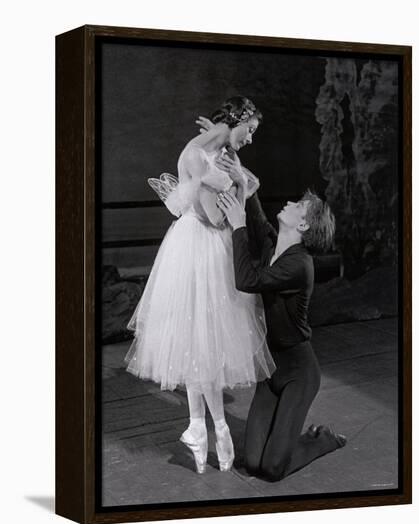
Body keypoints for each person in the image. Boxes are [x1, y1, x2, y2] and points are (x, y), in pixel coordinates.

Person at [125, 97, 276, 474]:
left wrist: (222, 142)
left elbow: (216, 161)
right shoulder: (196, 156)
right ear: (239, 120)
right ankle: (214, 428)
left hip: (211, 247)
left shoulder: (214, 149)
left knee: (202, 341)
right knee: (200, 337)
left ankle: (200, 428)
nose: (252, 139)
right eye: (251, 131)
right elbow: (212, 217)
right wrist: (239, 186)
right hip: (199, 248)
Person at [216, 185, 346, 481]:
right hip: (271, 370)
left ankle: (322, 440)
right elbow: (261, 224)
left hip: (299, 373)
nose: (289, 200)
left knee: (272, 469)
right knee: (252, 463)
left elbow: (246, 279)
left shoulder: (299, 265)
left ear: (303, 225)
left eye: (298, 204)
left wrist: (237, 226)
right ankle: (286, 440)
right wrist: (250, 190)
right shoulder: (276, 247)